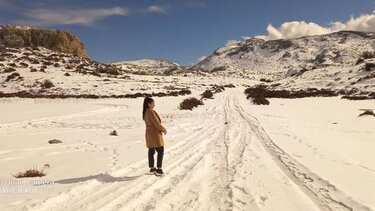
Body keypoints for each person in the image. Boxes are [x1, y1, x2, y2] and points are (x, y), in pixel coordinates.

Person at [142, 97, 167, 176]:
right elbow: (156, 123)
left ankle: (152, 168)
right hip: (154, 133)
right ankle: (159, 170)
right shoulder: (150, 112)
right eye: (153, 103)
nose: (154, 104)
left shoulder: (145, 112)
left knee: (151, 150)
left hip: (149, 133)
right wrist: (163, 129)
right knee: (160, 150)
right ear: (149, 104)